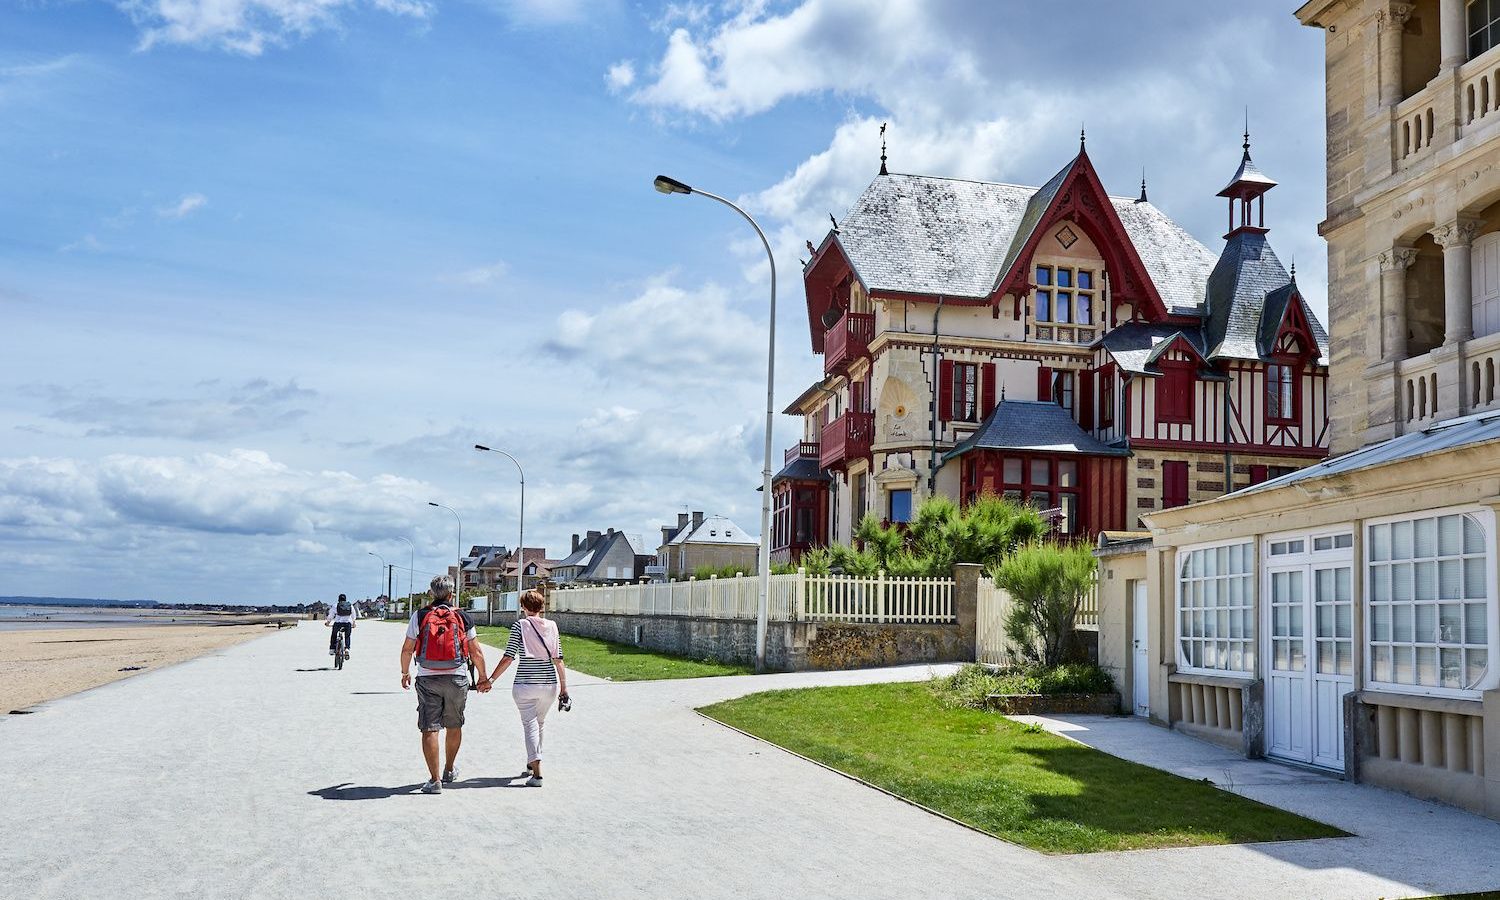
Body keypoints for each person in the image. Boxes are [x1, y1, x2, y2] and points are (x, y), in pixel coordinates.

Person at [400, 576, 490, 794]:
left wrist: (405, 672)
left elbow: (407, 649)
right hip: (457, 677)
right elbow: (476, 652)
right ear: (452, 594)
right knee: (454, 725)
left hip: (427, 678)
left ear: (432, 594)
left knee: (430, 727)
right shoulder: (462, 616)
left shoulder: (420, 615)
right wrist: (483, 677)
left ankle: (435, 780)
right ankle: (449, 769)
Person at [489, 590, 568, 787]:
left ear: (524, 607)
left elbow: (508, 657)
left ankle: (537, 774)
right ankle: (531, 764)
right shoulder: (552, 626)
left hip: (525, 684)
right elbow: (558, 660)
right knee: (539, 724)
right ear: (541, 607)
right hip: (549, 685)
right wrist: (563, 689)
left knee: (530, 725)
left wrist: (491, 679)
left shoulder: (520, 626)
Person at [325, 593, 356, 658]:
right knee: (347, 636)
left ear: (338, 599)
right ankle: (347, 648)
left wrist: (328, 622)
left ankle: (332, 649)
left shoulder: (335, 605)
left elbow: (331, 616)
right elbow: (353, 615)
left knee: (334, 635)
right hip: (347, 624)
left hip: (338, 624)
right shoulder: (350, 605)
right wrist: (354, 623)